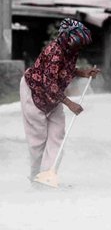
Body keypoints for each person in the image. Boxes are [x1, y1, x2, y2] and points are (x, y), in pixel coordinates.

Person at [20, 18, 100, 183]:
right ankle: (35, 176)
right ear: (69, 39)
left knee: (57, 137)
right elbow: (50, 84)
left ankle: (47, 177)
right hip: (34, 93)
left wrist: (83, 72)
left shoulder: (71, 49)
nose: (80, 47)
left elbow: (65, 70)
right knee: (38, 141)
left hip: (54, 98)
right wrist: (70, 104)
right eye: (78, 44)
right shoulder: (54, 51)